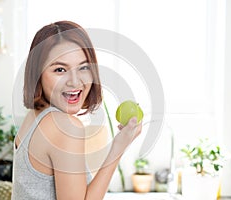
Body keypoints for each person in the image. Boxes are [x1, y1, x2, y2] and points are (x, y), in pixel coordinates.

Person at [11, 20, 142, 200]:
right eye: (60, 69)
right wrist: (119, 147)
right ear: (38, 75)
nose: (74, 81)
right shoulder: (63, 126)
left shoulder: (34, 116)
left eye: (83, 67)